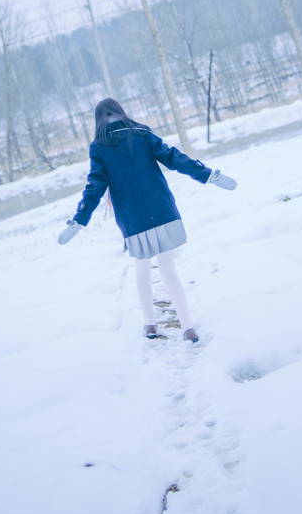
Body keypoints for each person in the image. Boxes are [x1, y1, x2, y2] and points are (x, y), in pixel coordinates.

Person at [58, 98, 237, 343]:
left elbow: (95, 187)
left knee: (142, 270)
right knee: (168, 270)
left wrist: (79, 219)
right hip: (162, 210)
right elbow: (174, 158)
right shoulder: (142, 133)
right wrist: (207, 175)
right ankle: (188, 328)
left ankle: (150, 325)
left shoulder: (99, 146)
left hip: (134, 221)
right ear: (121, 113)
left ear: (99, 120)